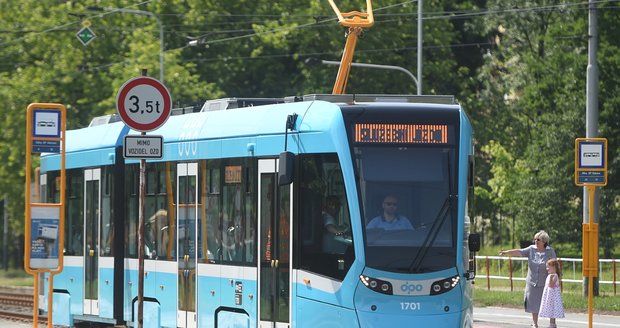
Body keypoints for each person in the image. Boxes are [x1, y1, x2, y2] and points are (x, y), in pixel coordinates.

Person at [499, 230, 557, 328]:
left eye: (538, 239)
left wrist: (555, 279)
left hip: (546, 283)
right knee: (533, 303)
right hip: (532, 282)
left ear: (544, 241)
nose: (535, 241)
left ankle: (552, 324)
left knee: (549, 302)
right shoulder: (531, 249)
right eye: (534, 239)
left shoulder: (550, 251)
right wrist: (506, 252)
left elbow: (555, 265)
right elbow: (519, 252)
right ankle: (535, 324)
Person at [538, 258, 565, 328]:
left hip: (552, 297)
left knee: (552, 309)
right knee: (551, 309)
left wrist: (550, 278)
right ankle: (552, 324)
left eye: (548, 267)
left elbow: (551, 285)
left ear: (553, 267)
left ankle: (552, 324)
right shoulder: (551, 275)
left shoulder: (554, 276)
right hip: (549, 295)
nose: (547, 269)